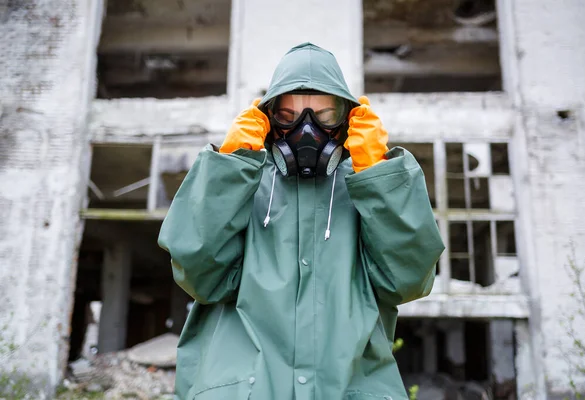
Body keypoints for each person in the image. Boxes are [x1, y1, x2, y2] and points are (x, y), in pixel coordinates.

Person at [158, 42, 444, 400]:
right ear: (268, 119)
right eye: (287, 116)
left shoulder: (368, 191)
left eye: (324, 116)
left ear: (347, 118)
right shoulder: (244, 186)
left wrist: (378, 174)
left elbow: (408, 280)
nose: (306, 130)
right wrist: (229, 169)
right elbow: (198, 274)